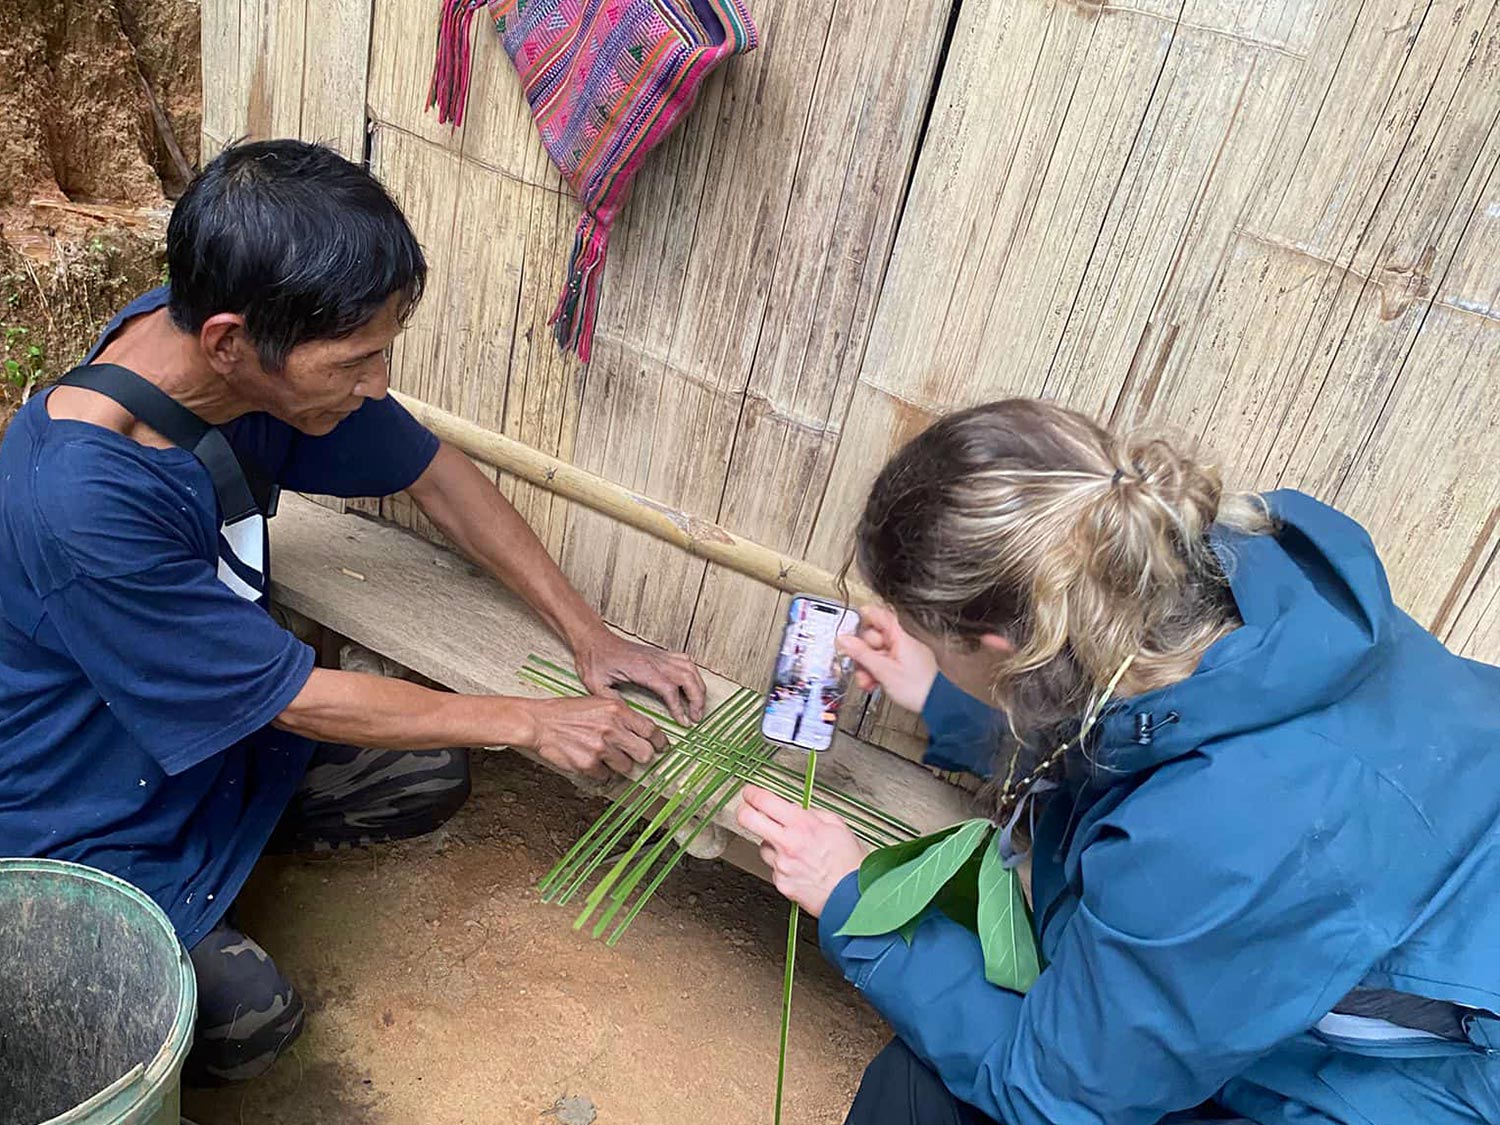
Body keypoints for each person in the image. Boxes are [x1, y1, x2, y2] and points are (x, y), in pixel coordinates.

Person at [0, 140, 706, 1084]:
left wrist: (591, 636)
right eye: (357, 359)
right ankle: (168, 897)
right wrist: (533, 722)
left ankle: (232, 843)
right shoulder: (82, 500)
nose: (376, 382)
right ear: (228, 339)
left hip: (201, 748)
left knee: (428, 778)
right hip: (74, 804)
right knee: (250, 1023)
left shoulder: (223, 353)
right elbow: (291, 697)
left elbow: (432, 471)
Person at [738, 399, 1500, 1124]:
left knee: (929, 1099)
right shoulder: (1230, 571)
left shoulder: (1219, 835)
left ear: (1002, 648)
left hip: (1410, 1084)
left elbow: (1052, 1098)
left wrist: (852, 902)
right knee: (919, 1085)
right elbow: (1145, 732)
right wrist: (947, 699)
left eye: (934, 640)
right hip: (1350, 968)